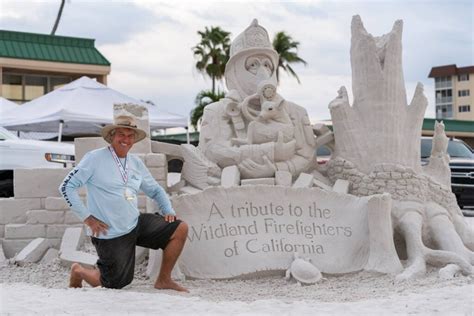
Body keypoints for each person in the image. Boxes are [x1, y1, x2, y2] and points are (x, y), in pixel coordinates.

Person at [59, 114, 188, 292]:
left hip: (134, 223)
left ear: (134, 139)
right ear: (112, 136)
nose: (126, 139)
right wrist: (87, 218)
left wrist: (168, 209)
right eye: (121, 134)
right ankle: (79, 271)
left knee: (179, 228)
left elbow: (156, 190)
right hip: (109, 231)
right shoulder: (94, 158)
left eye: (130, 135)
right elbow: (66, 187)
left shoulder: (135, 162)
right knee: (115, 284)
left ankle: (164, 280)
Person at [198, 19, 316, 179]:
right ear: (236, 71)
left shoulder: (296, 112)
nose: (263, 73)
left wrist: (277, 169)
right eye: (253, 65)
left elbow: (307, 157)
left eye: (268, 65)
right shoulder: (216, 111)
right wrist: (271, 152)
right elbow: (214, 152)